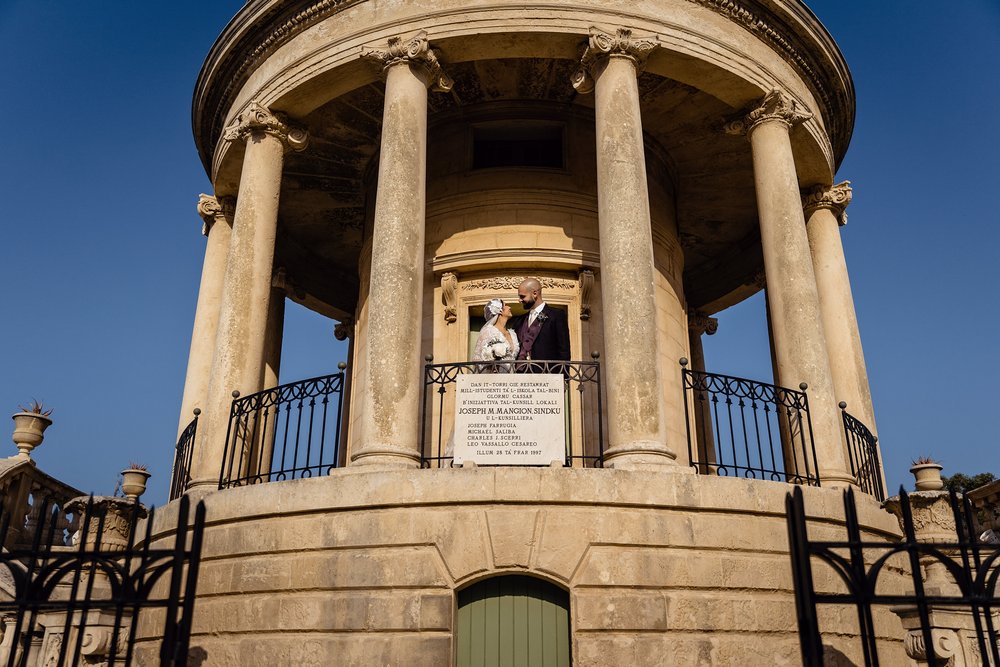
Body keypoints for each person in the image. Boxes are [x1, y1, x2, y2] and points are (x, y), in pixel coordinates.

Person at [509, 278, 571, 361]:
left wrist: (563, 373)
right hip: (521, 372)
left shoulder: (556, 315)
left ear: (535, 293)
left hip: (547, 371)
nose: (519, 300)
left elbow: (564, 350)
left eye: (522, 296)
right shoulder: (519, 320)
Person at [472, 298, 519, 362]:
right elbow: (478, 357)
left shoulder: (512, 333)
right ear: (499, 311)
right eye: (505, 305)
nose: (509, 307)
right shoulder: (488, 331)